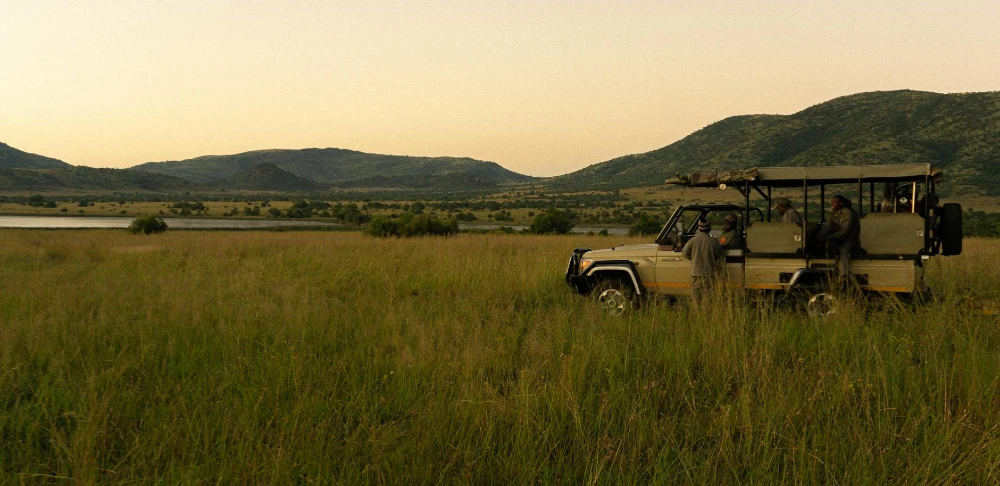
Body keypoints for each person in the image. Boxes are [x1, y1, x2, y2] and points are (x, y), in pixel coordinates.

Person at [816, 195, 861, 287]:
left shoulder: (849, 214)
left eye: (835, 202)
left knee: (844, 251)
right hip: (837, 238)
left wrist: (828, 237)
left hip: (850, 239)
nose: (832, 204)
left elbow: (845, 232)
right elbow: (827, 227)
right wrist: (819, 237)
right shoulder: (833, 213)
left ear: (841, 203)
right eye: (832, 202)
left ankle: (844, 275)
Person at [682, 218, 722, 310]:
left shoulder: (693, 240)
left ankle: (697, 317)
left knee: (696, 298)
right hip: (708, 273)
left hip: (695, 273)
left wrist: (694, 258)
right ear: (709, 228)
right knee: (708, 297)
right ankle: (707, 317)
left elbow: (684, 253)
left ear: (699, 228)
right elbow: (719, 253)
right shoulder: (713, 241)